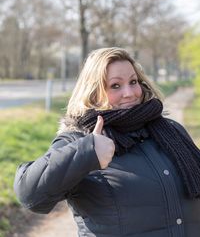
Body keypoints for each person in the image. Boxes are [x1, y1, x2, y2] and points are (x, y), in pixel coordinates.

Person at [14, 47, 200, 237]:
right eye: (115, 86)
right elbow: (30, 195)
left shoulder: (169, 131)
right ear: (93, 93)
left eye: (133, 82)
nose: (129, 93)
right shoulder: (80, 138)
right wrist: (88, 152)